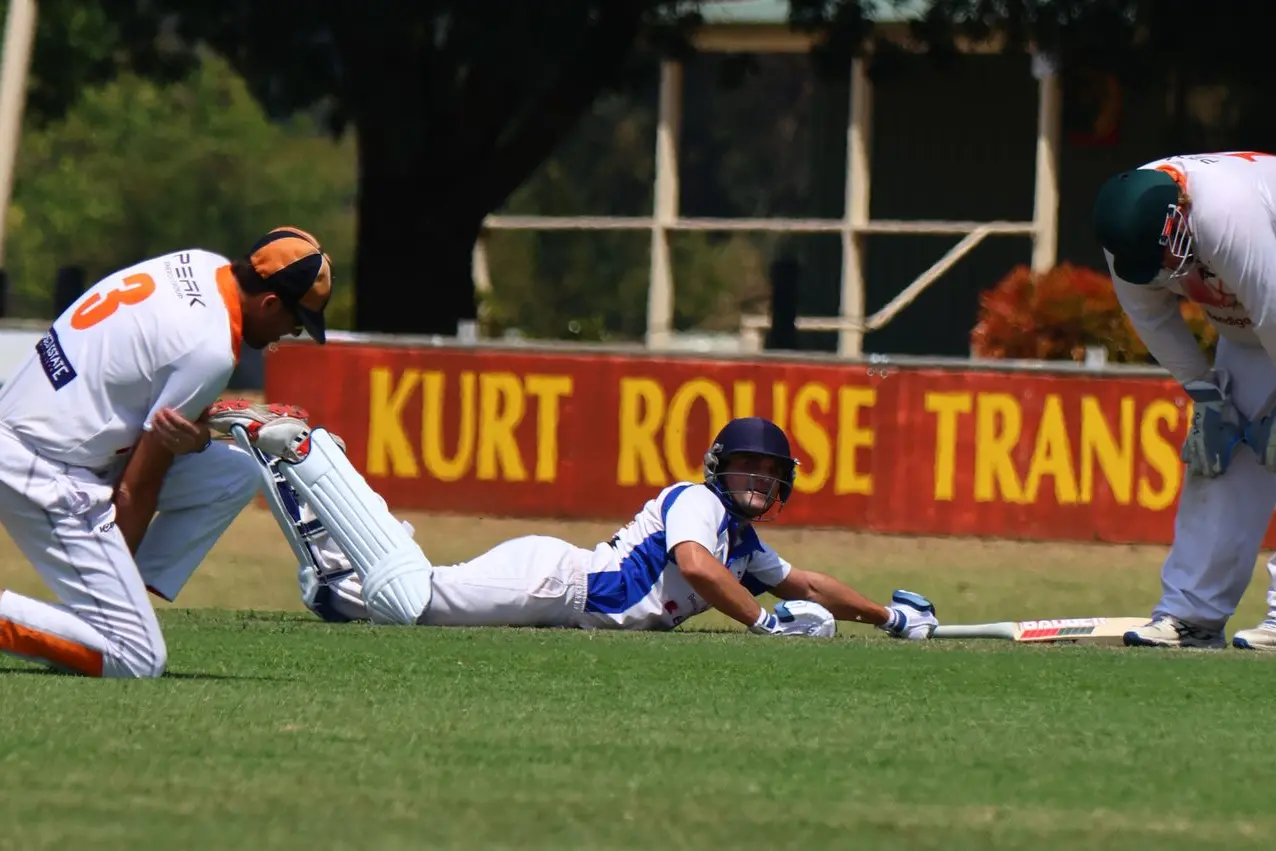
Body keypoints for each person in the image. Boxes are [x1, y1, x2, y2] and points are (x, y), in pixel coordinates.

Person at [210, 403, 940, 640]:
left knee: (354, 599)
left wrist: (888, 617)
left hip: (563, 594)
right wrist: (763, 623)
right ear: (722, 469)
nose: (759, 480)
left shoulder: (740, 544)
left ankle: (316, 531)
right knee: (411, 601)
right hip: (559, 582)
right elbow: (693, 566)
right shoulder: (701, 504)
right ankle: (311, 451)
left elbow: (806, 580)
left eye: (771, 473)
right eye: (748, 467)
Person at [0, 227, 334, 677]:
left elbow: (149, 389)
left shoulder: (200, 263)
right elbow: (138, 489)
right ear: (270, 303)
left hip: (41, 432)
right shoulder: (212, 350)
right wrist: (116, 604)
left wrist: (200, 435)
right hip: (43, 469)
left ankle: (116, 600)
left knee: (234, 475)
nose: (288, 335)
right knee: (138, 658)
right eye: (294, 324)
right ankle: (111, 614)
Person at [1093, 151, 1276, 650]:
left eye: (1165, 260)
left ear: (1178, 218)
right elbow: (1153, 320)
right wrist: (1207, 395)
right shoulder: (1130, 237)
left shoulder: (1228, 213)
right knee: (1216, 460)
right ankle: (1193, 616)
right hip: (1248, 333)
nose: (1162, 275)